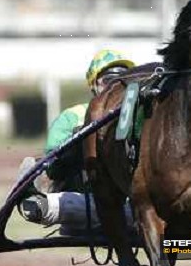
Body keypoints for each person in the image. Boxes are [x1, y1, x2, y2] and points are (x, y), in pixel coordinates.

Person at [19, 49, 135, 229]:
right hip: (83, 197)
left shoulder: (138, 115)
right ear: (94, 85)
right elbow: (54, 168)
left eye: (123, 82)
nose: (116, 89)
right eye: (108, 81)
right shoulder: (73, 116)